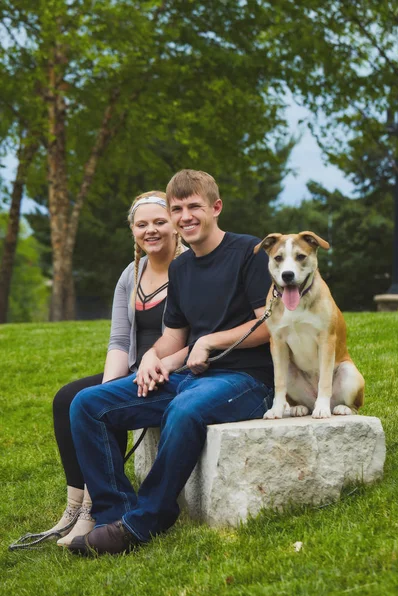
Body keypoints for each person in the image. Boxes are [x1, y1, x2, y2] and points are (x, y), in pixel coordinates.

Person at [68, 169, 274, 556]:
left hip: (248, 379)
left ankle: (146, 520)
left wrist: (210, 342)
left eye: (194, 206)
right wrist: (151, 357)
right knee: (88, 404)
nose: (185, 216)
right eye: (177, 208)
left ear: (216, 207)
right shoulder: (181, 268)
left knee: (184, 408)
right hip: (191, 375)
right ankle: (117, 514)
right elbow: (175, 337)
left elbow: (270, 323)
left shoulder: (250, 252)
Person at [49, 190, 185, 546]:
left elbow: (199, 335)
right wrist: (109, 386)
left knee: (99, 403)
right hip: (134, 368)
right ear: (133, 231)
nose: (151, 230)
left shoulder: (190, 268)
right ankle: (76, 505)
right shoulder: (132, 272)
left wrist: (155, 368)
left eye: (159, 221)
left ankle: (97, 507)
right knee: (68, 398)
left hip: (170, 370)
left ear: (175, 224)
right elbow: (119, 339)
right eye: (142, 225)